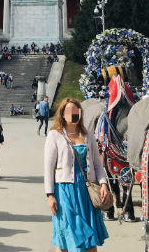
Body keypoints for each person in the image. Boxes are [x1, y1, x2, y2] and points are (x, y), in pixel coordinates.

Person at [44, 97, 109, 252]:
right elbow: (48, 167)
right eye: (68, 111)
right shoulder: (54, 135)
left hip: (86, 192)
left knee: (89, 239)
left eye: (75, 111)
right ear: (62, 114)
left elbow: (97, 165)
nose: (72, 114)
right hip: (65, 192)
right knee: (67, 234)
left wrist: (104, 184)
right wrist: (50, 195)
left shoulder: (88, 136)